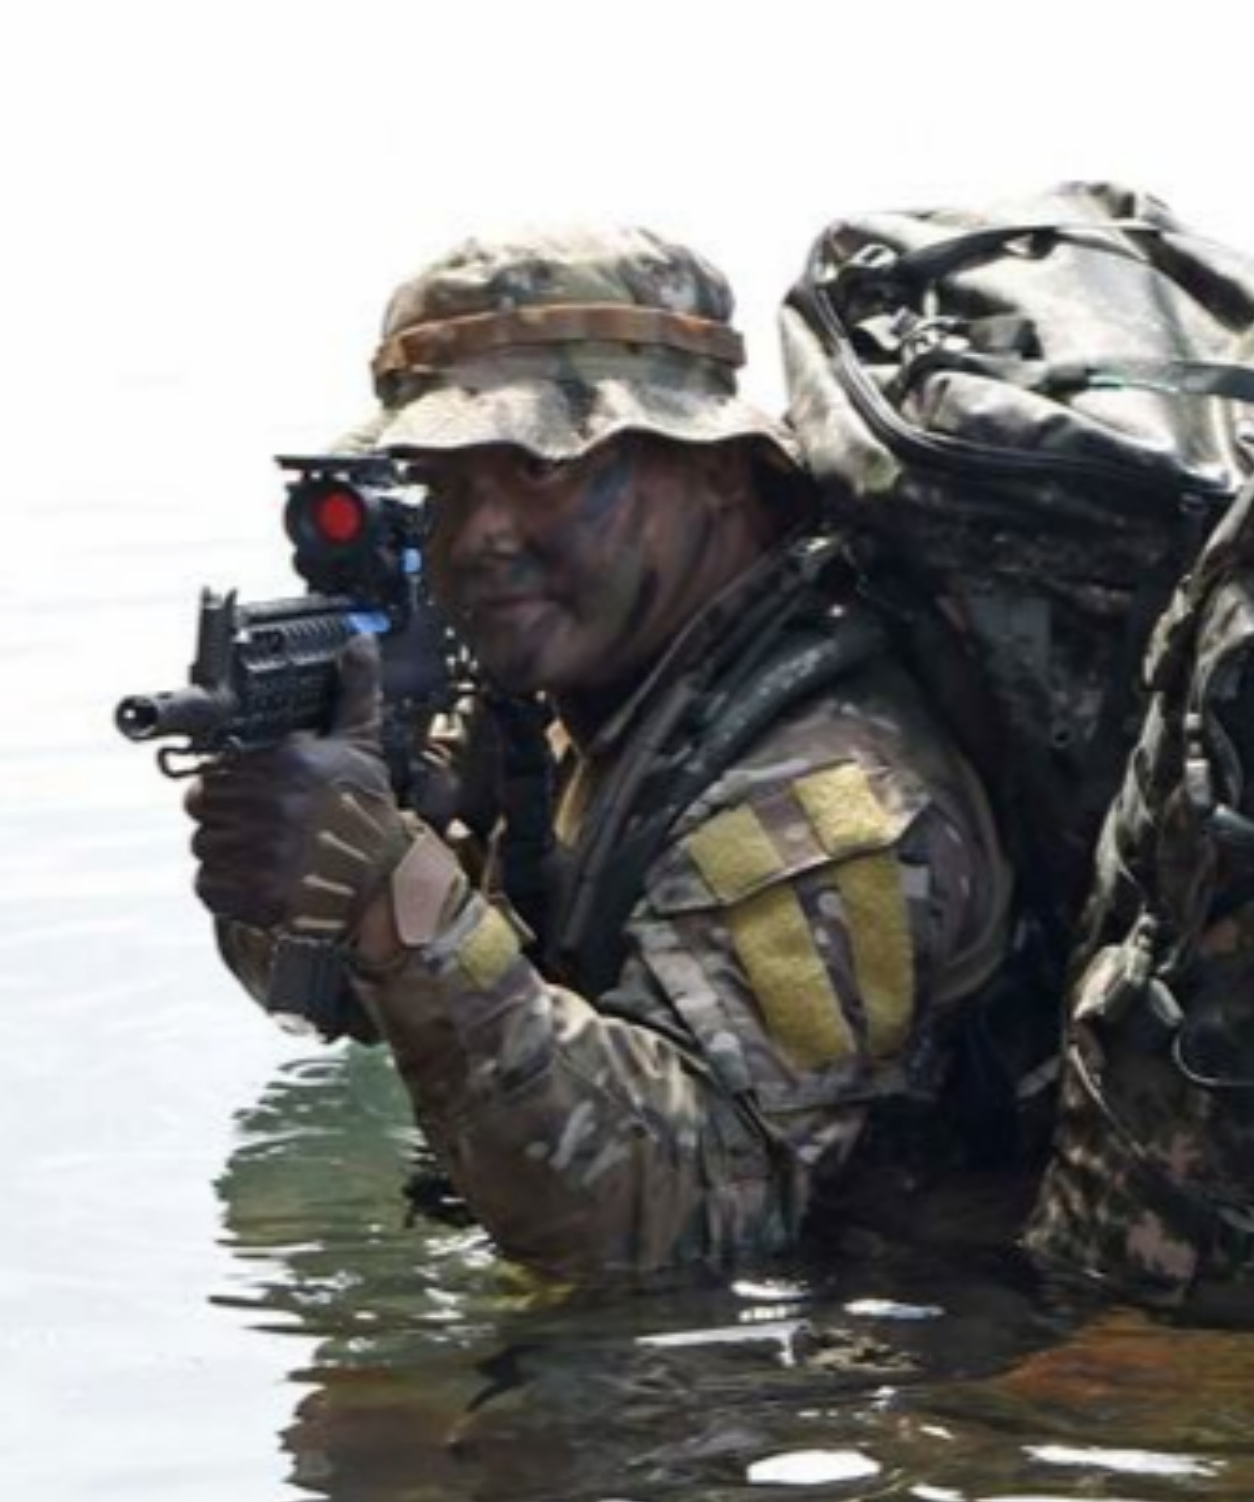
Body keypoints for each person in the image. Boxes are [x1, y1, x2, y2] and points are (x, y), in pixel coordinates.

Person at [182, 226, 1014, 1276]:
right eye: (441, 484)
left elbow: (674, 1222)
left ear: (717, 470)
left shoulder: (824, 804)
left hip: (878, 1334)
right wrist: (314, 858)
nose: (476, 535)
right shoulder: (577, 705)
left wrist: (398, 896)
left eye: (541, 467)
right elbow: (334, 1003)